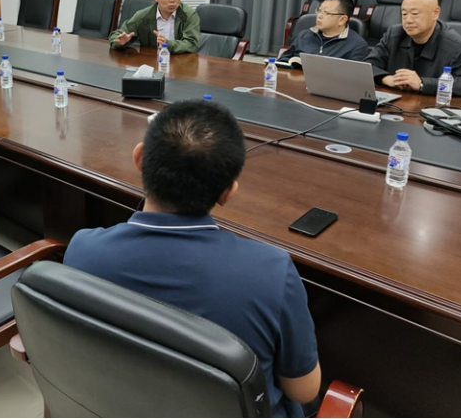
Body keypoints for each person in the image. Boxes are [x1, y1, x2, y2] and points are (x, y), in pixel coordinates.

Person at [64, 100, 321, 418]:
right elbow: (303, 390)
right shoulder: (272, 273)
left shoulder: (82, 250)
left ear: (140, 159)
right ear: (227, 193)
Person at [365, 0, 461, 96]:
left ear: (435, 13)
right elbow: (367, 66)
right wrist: (387, 79)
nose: (408, 20)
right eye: (404, 14)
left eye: (415, 14)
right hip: (396, 103)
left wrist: (422, 84)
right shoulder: (394, 34)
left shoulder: (455, 44)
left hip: (432, 106)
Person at [109, 0, 200, 54]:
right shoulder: (143, 16)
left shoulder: (189, 15)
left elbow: (191, 44)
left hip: (181, 63)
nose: (172, 0)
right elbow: (116, 36)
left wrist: (168, 44)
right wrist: (119, 42)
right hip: (152, 62)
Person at [278, 0, 368, 63]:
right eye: (319, 11)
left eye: (326, 13)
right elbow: (283, 59)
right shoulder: (304, 35)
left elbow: (355, 76)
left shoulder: (357, 45)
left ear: (342, 19)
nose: (319, 16)